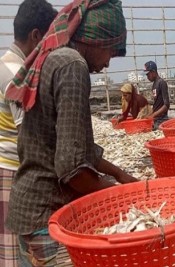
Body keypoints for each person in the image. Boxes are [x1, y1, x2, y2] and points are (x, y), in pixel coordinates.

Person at [5, 0, 137, 265]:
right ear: (95, 40)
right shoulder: (72, 65)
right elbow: (72, 167)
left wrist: (119, 174)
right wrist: (118, 199)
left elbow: (70, 146)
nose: (108, 63)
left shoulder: (55, 57)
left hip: (28, 211)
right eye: (110, 52)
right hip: (48, 217)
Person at [0, 1, 57, 266]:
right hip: (13, 172)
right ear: (36, 36)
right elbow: (30, 138)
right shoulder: (16, 75)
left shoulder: (4, 64)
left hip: (6, 168)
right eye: (48, 40)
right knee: (15, 255)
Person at [143, 61, 170, 129]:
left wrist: (153, 115)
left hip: (161, 119)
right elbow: (157, 103)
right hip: (156, 118)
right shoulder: (154, 84)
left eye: (148, 74)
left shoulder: (161, 83)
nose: (147, 77)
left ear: (153, 72)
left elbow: (166, 105)